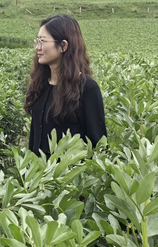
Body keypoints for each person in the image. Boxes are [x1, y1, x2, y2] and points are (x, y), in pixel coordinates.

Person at [24, 14, 107, 157]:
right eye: (37, 41)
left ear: (63, 45)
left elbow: (98, 146)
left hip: (69, 177)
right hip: (38, 176)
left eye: (42, 41)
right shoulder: (41, 84)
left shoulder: (87, 89)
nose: (37, 47)